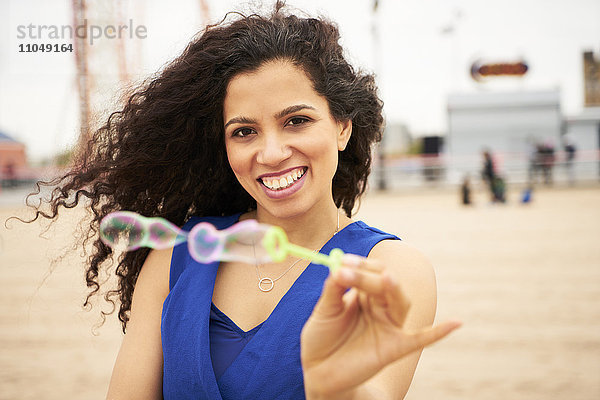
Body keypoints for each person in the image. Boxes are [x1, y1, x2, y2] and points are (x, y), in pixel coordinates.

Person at [23, 3, 459, 399]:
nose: (270, 153)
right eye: (244, 131)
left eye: (297, 121)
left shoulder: (392, 270)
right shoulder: (176, 256)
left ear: (342, 127)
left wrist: (340, 382)